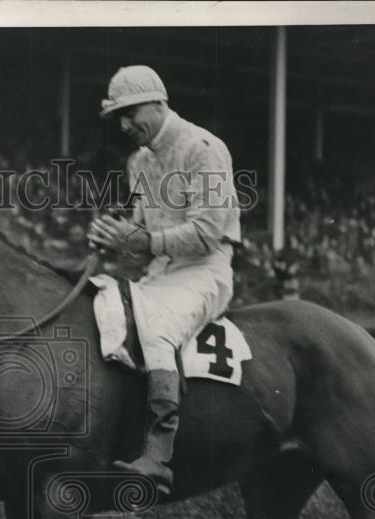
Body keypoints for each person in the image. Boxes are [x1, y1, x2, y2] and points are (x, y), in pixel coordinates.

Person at [88, 65, 241, 494]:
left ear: (159, 102)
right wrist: (112, 237)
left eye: (132, 112)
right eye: (119, 117)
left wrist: (137, 239)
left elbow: (207, 233)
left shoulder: (203, 148)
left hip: (204, 271)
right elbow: (139, 236)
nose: (125, 124)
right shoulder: (138, 161)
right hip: (160, 273)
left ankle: (159, 455)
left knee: (157, 330)